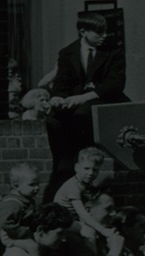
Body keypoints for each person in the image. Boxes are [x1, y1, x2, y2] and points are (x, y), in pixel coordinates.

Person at [46, 11, 127, 174]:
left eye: (105, 31)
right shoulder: (67, 53)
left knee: (82, 114)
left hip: (103, 99)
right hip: (76, 102)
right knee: (53, 121)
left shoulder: (114, 51)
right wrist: (57, 98)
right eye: (99, 32)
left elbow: (115, 83)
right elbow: (62, 82)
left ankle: (86, 162)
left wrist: (83, 98)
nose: (104, 35)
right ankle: (63, 165)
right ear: (83, 32)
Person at [53, 146, 114, 239]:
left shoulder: (86, 184)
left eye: (95, 170)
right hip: (60, 220)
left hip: (72, 219)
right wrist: (102, 230)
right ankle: (92, 254)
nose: (91, 173)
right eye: (86, 168)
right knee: (89, 232)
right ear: (77, 167)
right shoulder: (72, 186)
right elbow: (82, 212)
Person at [58, 192, 116, 256]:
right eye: (108, 209)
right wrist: (114, 252)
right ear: (88, 210)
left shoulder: (103, 236)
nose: (114, 214)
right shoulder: (74, 240)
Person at [0, 162, 41, 249]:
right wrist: (24, 233)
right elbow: (5, 223)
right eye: (32, 184)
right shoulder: (12, 203)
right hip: (11, 236)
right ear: (16, 186)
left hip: (24, 232)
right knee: (33, 248)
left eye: (38, 184)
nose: (37, 188)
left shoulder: (26, 199)